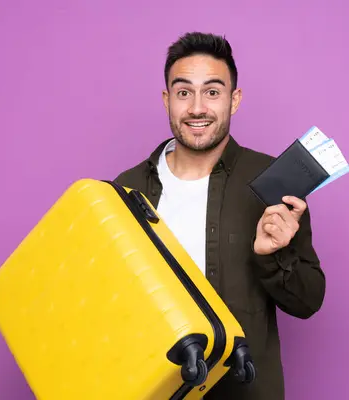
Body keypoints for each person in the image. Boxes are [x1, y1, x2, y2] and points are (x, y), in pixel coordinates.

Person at [114, 32, 326, 400]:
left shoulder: (275, 183)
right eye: (184, 93)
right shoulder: (125, 190)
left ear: (235, 99)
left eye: (212, 92)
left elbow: (308, 301)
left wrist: (273, 255)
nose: (197, 108)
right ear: (167, 100)